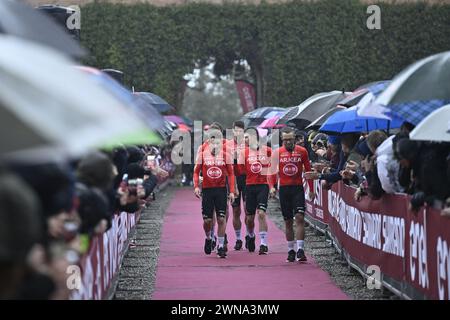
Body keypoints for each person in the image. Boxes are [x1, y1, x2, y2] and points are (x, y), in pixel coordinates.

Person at [269, 127, 314, 262]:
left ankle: (300, 249)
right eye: (285, 140)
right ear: (282, 140)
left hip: (297, 188)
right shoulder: (277, 153)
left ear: (295, 139)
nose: (288, 142)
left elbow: (308, 171)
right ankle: (291, 250)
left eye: (290, 139)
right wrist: (271, 187)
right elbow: (271, 172)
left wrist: (311, 189)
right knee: (288, 221)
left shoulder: (302, 151)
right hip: (284, 190)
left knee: (300, 217)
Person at [193, 128, 235, 258]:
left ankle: (221, 246)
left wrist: (232, 191)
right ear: (209, 141)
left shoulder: (226, 155)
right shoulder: (202, 155)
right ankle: (208, 237)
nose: (216, 144)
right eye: (213, 141)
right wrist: (196, 187)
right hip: (207, 190)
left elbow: (231, 174)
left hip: (221, 190)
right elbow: (195, 172)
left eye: (218, 142)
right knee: (208, 221)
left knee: (222, 218)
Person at [238, 127, 272, 254]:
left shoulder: (267, 150)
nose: (245, 139)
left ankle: (263, 244)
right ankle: (251, 236)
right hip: (249, 186)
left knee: (262, 214)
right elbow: (241, 171)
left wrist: (272, 185)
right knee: (249, 218)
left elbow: (273, 167)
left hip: (263, 186)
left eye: (247, 137)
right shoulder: (243, 153)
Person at [229, 120, 247, 251]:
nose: (238, 133)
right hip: (233, 179)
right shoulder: (228, 145)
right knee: (236, 211)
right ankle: (238, 239)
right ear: (233, 131)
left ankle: (249, 235)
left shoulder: (248, 144)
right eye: (236, 130)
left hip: (246, 179)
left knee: (248, 211)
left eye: (241, 131)